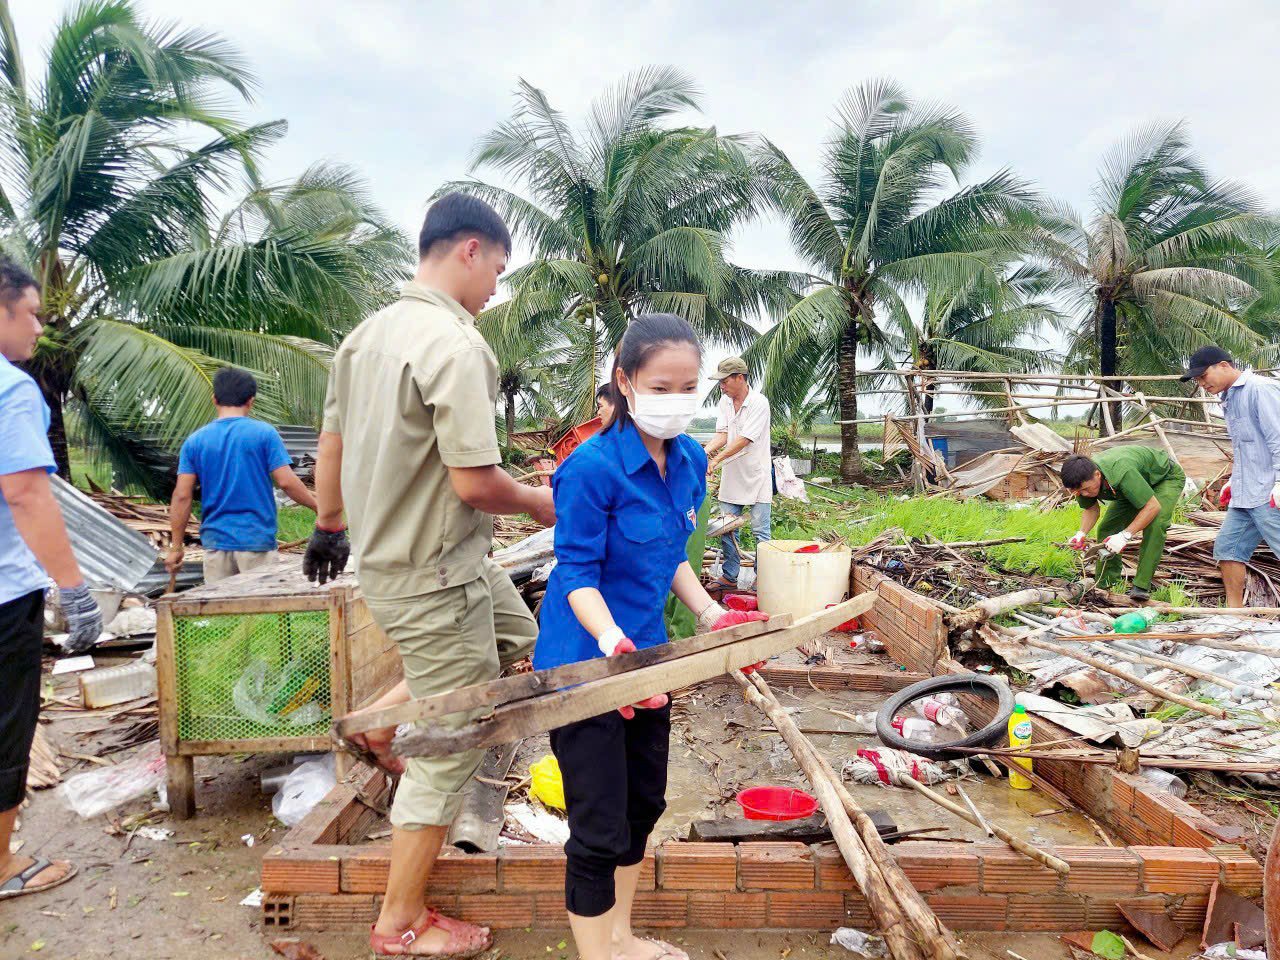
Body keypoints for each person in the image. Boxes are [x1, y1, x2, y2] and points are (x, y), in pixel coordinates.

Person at [302, 192, 555, 958]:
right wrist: (553, 504)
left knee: (517, 631)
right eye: (498, 271)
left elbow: (332, 444)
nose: (495, 290)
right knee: (454, 740)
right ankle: (399, 922)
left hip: (405, 562)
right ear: (469, 250)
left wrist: (329, 523)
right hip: (435, 573)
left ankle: (379, 721)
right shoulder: (455, 343)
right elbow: (477, 483)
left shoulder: (366, 337)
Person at [534, 314, 766, 960]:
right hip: (583, 664)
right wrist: (610, 637)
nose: (678, 399)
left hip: (647, 664)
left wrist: (711, 615)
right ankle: (597, 955)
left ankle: (622, 937)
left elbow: (670, 555)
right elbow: (576, 573)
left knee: (643, 805)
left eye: (690, 385)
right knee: (598, 828)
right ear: (626, 383)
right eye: (662, 385)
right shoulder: (589, 470)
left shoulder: (690, 459)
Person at [0, 256, 102, 901]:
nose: (40, 328)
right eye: (32, 313)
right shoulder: (10, 390)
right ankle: (3, 867)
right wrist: (75, 588)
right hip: (5, 594)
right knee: (8, 727)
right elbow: (26, 493)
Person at [166, 368, 317, 584]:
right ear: (251, 401)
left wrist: (176, 547)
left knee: (223, 613)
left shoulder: (195, 441)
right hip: (256, 542)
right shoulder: (264, 433)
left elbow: (182, 495)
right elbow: (285, 482)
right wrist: (317, 506)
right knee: (264, 612)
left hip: (216, 543)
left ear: (214, 399)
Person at [1181, 345, 1280, 607]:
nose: (1202, 383)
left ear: (1224, 365)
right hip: (1247, 494)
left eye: (1203, 376)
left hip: (1270, 493)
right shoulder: (1230, 398)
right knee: (1228, 549)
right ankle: (1234, 614)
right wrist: (1234, 482)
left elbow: (1278, 439)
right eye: (1197, 380)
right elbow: (1245, 446)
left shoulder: (1260, 389)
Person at [1062, 448, 1186, 600]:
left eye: (1086, 489)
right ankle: (1105, 584)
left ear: (1097, 474)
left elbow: (1152, 507)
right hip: (1131, 485)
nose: (1085, 494)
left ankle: (1141, 585)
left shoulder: (1121, 471)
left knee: (1155, 524)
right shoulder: (1083, 482)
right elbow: (1091, 509)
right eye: (1080, 492)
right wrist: (1081, 533)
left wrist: (1124, 536)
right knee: (1107, 528)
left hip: (1163, 478)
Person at [703, 357, 772, 590]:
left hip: (757, 474)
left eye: (725, 381)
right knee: (727, 527)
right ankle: (729, 576)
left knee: (760, 531)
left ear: (740, 378)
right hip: (733, 474)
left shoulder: (759, 403)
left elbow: (744, 439)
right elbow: (723, 434)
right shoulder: (724, 402)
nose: (721, 386)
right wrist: (704, 452)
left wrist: (718, 458)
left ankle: (761, 578)